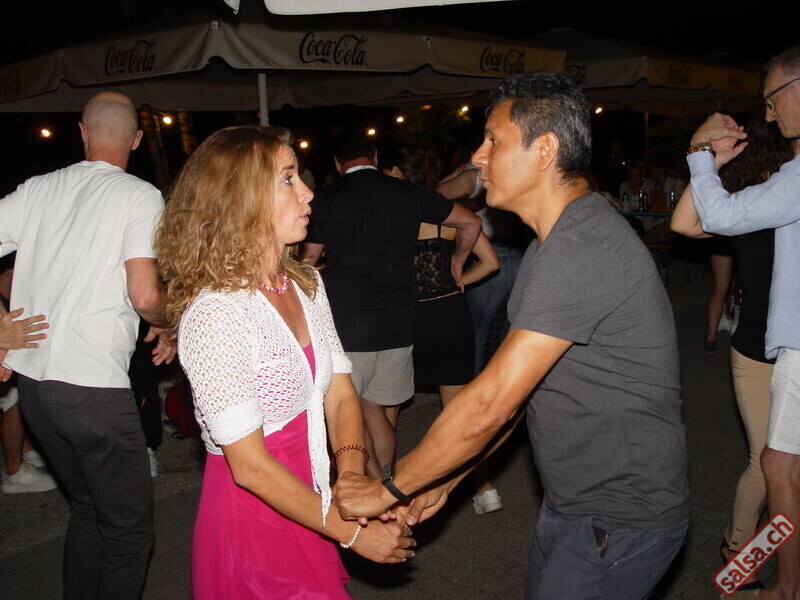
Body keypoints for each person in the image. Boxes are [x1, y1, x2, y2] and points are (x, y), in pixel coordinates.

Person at [335, 72, 689, 600]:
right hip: (575, 507)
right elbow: (521, 399)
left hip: (619, 516)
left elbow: (489, 405)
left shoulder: (581, 246)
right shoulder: (556, 242)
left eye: (493, 141)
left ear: (544, 150)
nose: (477, 158)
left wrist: (389, 487)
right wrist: (445, 480)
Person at [156, 125, 415, 600]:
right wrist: (350, 531)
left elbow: (340, 391)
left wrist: (351, 480)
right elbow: (249, 466)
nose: (308, 192)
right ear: (241, 200)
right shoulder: (216, 313)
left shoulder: (304, 285)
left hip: (311, 494)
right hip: (256, 515)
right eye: (288, 178)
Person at [0, 91, 175, 600]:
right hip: (94, 390)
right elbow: (146, 295)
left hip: (36, 391)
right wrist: (170, 322)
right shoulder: (139, 195)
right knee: (129, 532)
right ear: (136, 140)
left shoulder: (37, 190)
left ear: (82, 132)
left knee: (89, 511)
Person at [681, 44, 800, 600]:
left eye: (774, 100)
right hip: (759, 348)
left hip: (789, 347)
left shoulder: (786, 187)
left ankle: (776, 577)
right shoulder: (770, 189)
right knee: (769, 463)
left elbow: (715, 214)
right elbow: (690, 223)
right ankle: (740, 553)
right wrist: (708, 162)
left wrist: (701, 156)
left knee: (778, 466)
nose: (769, 114)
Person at [301, 128, 481, 480]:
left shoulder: (327, 199)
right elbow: (471, 222)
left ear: (337, 164)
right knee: (374, 409)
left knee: (349, 412)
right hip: (400, 322)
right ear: (375, 157)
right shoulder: (407, 192)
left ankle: (373, 488)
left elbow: (308, 262)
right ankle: (385, 483)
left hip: (349, 327)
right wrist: (458, 261)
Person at [382, 146, 503, 514]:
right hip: (449, 316)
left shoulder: (390, 213)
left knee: (388, 409)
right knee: (459, 415)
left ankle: (387, 488)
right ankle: (485, 489)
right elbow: (491, 263)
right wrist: (459, 280)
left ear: (398, 174)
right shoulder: (449, 212)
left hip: (407, 319)